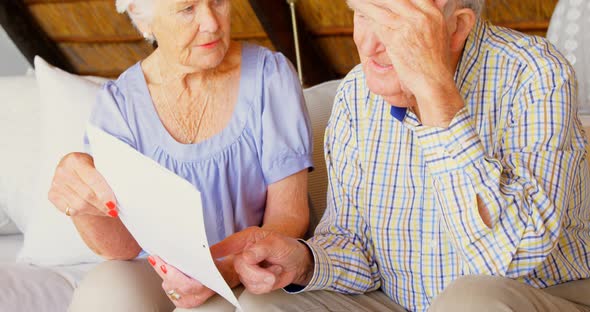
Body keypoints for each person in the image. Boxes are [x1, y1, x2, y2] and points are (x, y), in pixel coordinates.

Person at [212, 0, 590, 311]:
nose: (372, 45)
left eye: (396, 26)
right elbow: (354, 244)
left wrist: (437, 97)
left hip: (536, 294)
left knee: (472, 301)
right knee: (266, 305)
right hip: (399, 300)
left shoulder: (536, 74)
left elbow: (513, 256)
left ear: (457, 28)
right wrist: (305, 261)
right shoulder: (356, 94)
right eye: (363, 15)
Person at [47, 0, 313, 311]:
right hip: (159, 271)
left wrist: (224, 272)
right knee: (104, 295)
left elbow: (289, 216)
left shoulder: (270, 76)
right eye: (188, 8)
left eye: (218, 1)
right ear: (142, 18)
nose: (212, 22)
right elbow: (122, 246)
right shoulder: (119, 105)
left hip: (249, 266)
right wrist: (80, 204)